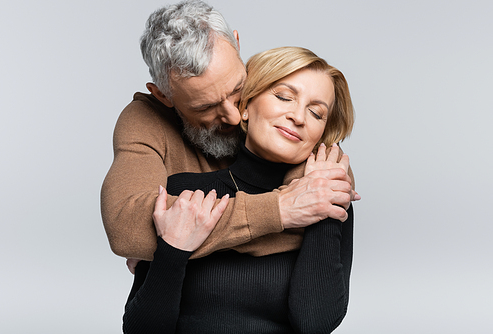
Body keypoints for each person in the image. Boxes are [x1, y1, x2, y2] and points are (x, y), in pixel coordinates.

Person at [100, 0, 358, 269]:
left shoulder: (274, 96)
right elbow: (126, 227)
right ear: (164, 95)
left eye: (237, 89)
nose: (234, 116)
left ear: (236, 44)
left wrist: (171, 249)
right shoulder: (145, 119)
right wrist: (281, 210)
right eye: (206, 107)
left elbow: (323, 197)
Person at [123, 46, 356, 333]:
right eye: (284, 97)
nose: (298, 117)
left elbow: (314, 323)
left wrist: (323, 204)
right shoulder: (184, 194)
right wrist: (171, 253)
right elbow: (139, 329)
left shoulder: (330, 202)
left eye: (317, 113)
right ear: (244, 107)